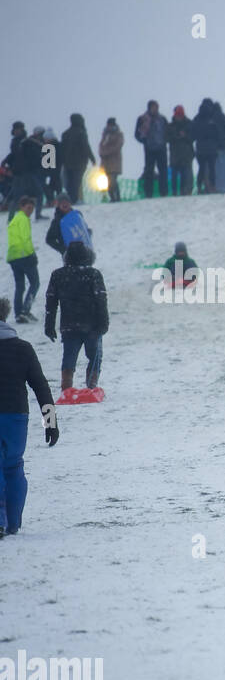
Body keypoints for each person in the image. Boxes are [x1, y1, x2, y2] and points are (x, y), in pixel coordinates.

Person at [0, 295, 59, 539]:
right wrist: (50, 423)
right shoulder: (23, 348)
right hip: (16, 417)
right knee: (13, 467)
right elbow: (40, 386)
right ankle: (12, 523)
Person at [44, 240, 108, 392]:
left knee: (69, 357)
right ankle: (92, 385)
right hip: (92, 325)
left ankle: (66, 386)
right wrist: (104, 324)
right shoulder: (94, 274)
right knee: (95, 356)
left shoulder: (58, 275)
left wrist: (49, 326)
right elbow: (101, 300)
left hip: (69, 325)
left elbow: (51, 303)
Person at [6, 197, 39, 322]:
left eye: (32, 208)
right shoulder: (23, 219)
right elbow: (26, 239)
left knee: (20, 286)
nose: (30, 211)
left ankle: (18, 313)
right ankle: (25, 310)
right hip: (24, 255)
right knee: (35, 283)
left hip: (13, 256)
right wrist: (32, 255)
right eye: (29, 208)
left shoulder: (14, 219)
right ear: (22, 207)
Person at [192, 98, 225, 195]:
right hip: (212, 147)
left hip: (200, 147)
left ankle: (200, 187)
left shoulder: (197, 118)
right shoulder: (213, 116)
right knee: (212, 168)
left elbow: (193, 133)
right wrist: (219, 141)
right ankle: (213, 187)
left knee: (202, 168)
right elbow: (224, 131)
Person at [134, 100, 169, 197]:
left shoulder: (162, 119)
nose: (155, 109)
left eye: (156, 107)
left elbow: (167, 132)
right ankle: (148, 193)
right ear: (149, 107)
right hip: (149, 149)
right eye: (154, 107)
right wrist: (145, 141)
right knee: (149, 171)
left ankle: (164, 192)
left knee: (163, 170)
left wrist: (164, 141)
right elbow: (137, 134)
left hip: (161, 148)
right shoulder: (142, 119)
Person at [59, 114, 95, 203]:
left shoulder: (65, 134)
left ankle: (70, 199)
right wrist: (92, 158)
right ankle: (74, 199)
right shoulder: (81, 132)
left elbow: (62, 148)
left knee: (70, 182)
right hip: (80, 162)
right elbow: (86, 147)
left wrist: (62, 160)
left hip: (67, 162)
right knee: (77, 182)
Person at [45, 192, 92, 256]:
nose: (64, 204)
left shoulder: (77, 216)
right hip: (70, 256)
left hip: (84, 252)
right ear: (58, 205)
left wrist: (88, 233)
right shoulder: (57, 221)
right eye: (62, 202)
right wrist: (63, 249)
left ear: (70, 203)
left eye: (66, 202)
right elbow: (49, 239)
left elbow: (84, 229)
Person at [167, 105, 195, 196]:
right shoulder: (170, 126)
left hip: (186, 154)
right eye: (178, 114)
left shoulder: (189, 124)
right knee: (174, 175)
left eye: (180, 114)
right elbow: (166, 138)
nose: (179, 116)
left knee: (186, 174)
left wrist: (185, 136)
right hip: (175, 154)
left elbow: (193, 137)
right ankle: (175, 192)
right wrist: (176, 136)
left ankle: (185, 191)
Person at [98, 118, 123, 202]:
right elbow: (101, 146)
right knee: (108, 181)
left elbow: (118, 146)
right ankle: (113, 197)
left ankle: (117, 197)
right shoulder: (104, 135)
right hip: (106, 162)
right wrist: (102, 152)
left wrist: (106, 152)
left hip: (114, 161)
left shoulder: (119, 134)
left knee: (113, 181)